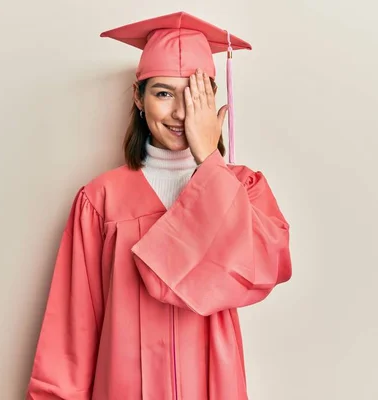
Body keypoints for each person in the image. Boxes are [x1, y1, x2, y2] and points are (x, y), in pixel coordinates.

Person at [26, 11, 292, 400]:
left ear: (213, 100)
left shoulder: (243, 188)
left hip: (212, 385)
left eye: (195, 95)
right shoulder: (101, 199)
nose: (181, 113)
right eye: (164, 93)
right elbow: (73, 328)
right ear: (138, 96)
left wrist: (209, 162)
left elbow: (266, 267)